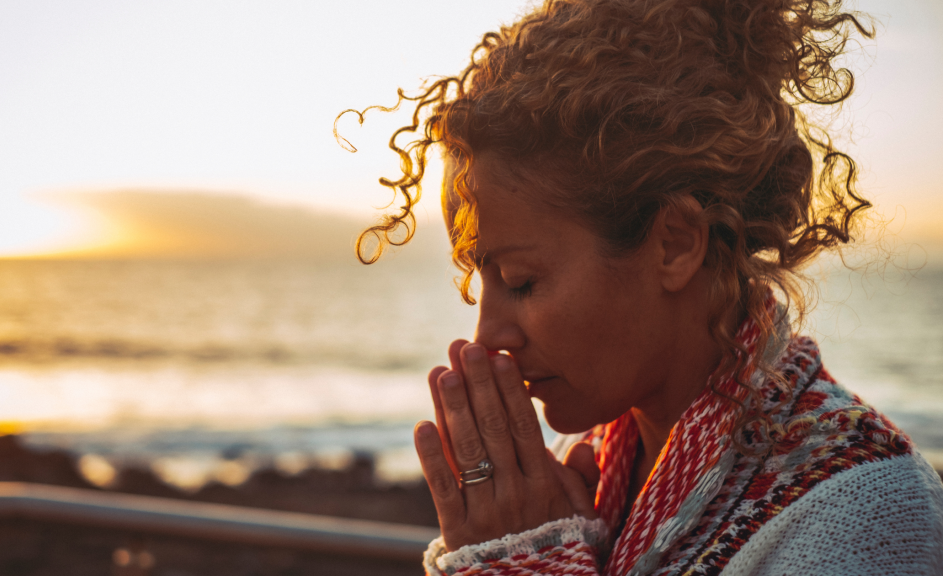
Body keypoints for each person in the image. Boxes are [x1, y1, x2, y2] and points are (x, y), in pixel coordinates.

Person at [340, 0, 943, 573]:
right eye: (481, 282)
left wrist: (524, 564)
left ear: (675, 242)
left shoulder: (870, 511)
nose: (486, 337)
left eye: (521, 282)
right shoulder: (591, 474)